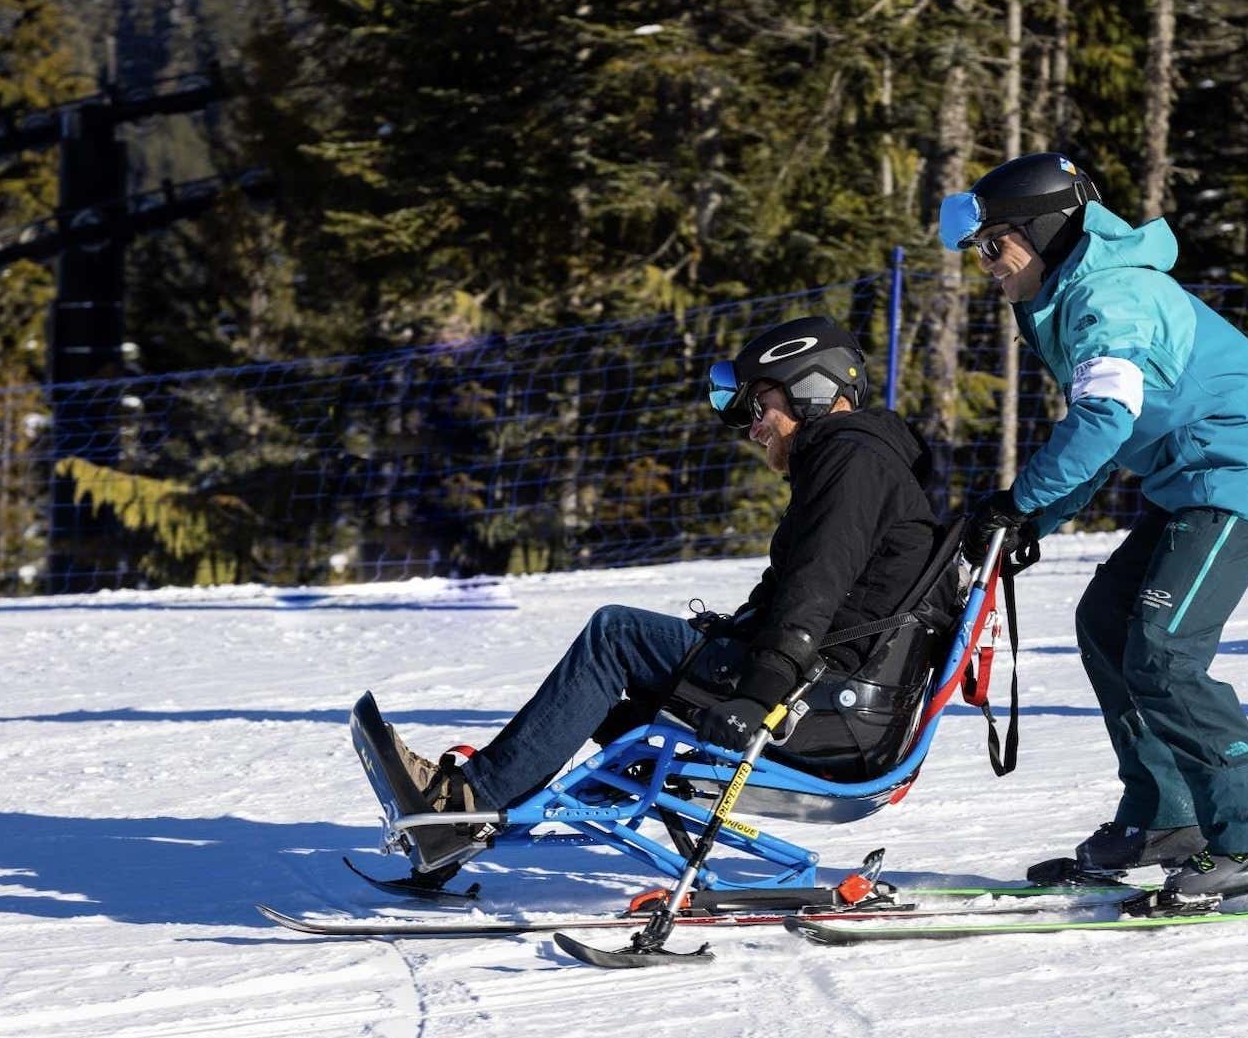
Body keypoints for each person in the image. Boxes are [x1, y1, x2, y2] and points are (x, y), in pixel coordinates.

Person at [378, 316, 945, 870]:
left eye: (759, 406)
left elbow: (815, 584)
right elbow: (809, 589)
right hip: (836, 701)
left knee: (616, 635)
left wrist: (761, 691)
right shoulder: (859, 460)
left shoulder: (851, 456)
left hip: (824, 708)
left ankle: (465, 808)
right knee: (625, 695)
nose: (752, 427)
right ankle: (473, 815)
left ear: (810, 388)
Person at [938, 152, 1248, 907]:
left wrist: (1021, 503)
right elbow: (1106, 435)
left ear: (1045, 231)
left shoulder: (1111, 299)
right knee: (1109, 619)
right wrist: (1030, 518)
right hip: (1194, 477)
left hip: (1243, 472)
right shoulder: (1071, 294)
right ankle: (1166, 815)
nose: (985, 265)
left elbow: (1103, 420)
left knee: (1165, 651)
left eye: (994, 245)